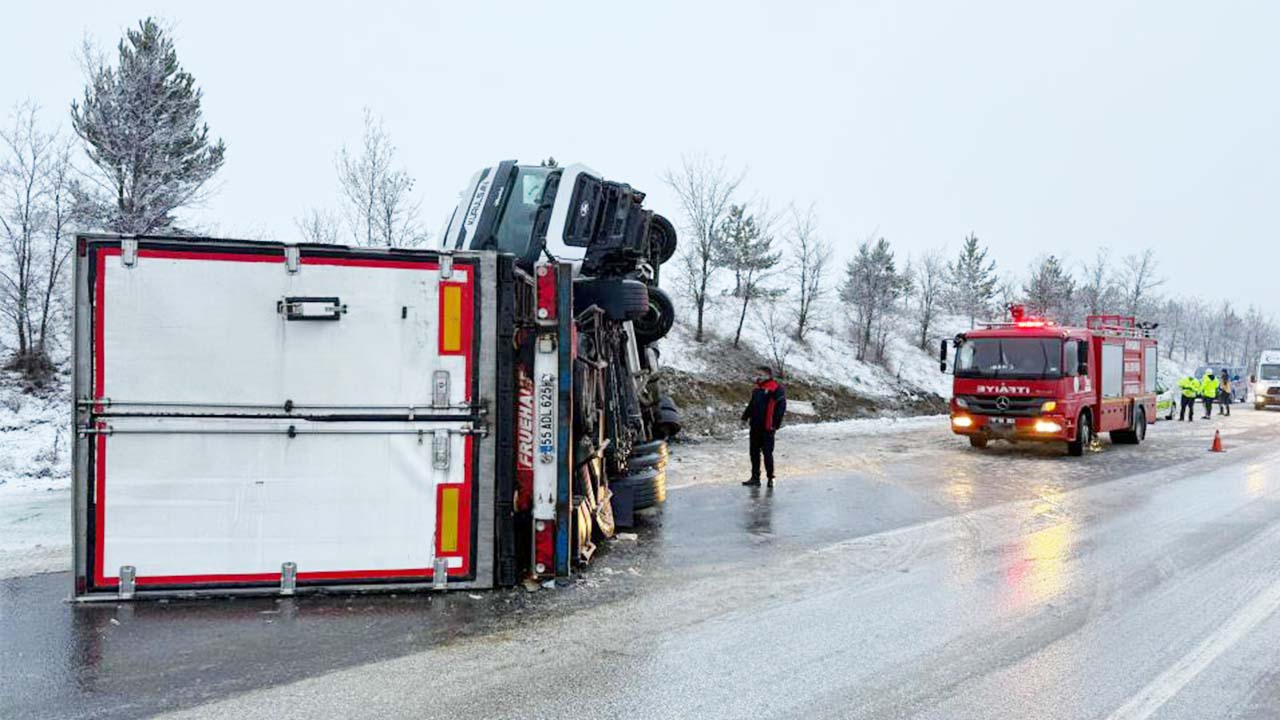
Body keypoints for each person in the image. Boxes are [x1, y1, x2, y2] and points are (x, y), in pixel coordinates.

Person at [741, 365, 786, 488]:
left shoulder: (776, 388)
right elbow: (752, 404)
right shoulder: (757, 389)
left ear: (768, 375)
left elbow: (781, 407)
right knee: (754, 453)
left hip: (767, 427)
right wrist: (745, 417)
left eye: (760, 374)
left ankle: (771, 478)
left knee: (767, 453)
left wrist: (775, 424)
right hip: (755, 426)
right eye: (757, 374)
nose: (758, 377)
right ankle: (755, 478)